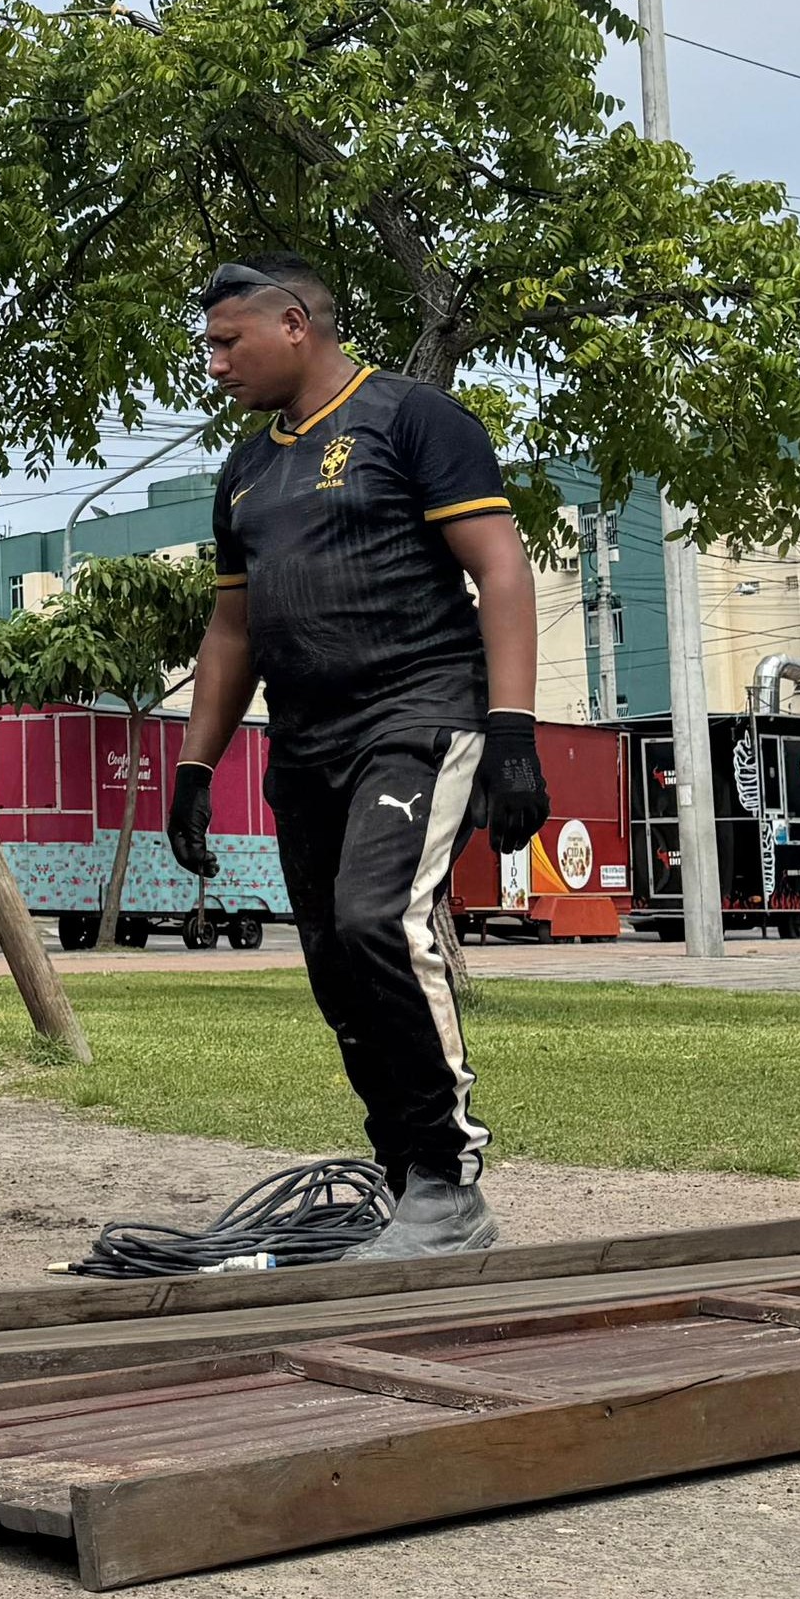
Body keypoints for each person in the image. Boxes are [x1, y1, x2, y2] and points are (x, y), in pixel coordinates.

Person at [166, 255, 547, 1259]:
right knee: (337, 970)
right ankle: (400, 1185)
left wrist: (512, 730)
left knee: (376, 917)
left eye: (225, 341)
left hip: (418, 715)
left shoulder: (414, 420)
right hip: (305, 741)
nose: (212, 364)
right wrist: (194, 769)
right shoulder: (244, 471)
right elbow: (230, 633)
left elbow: (499, 568)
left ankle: (446, 1185)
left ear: (293, 323)